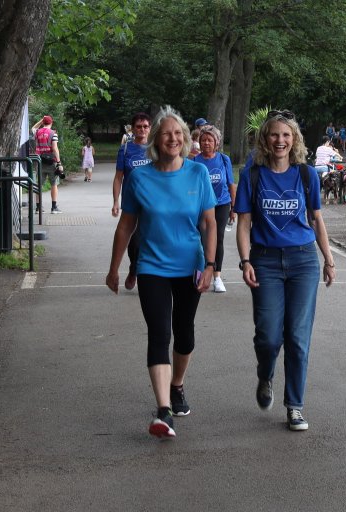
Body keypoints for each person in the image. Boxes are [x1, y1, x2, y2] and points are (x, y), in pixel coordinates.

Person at [106, 106, 216, 439]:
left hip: (189, 266)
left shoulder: (197, 174)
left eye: (178, 133)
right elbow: (126, 227)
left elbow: (210, 223)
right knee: (159, 332)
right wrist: (115, 268)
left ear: (185, 139)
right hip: (152, 266)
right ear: (155, 139)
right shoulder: (139, 177)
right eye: (166, 133)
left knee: (184, 333)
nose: (173, 138)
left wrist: (210, 265)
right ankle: (164, 410)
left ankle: (177, 385)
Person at [234, 109, 336, 432]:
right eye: (274, 134)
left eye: (286, 135)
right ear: (265, 139)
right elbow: (244, 223)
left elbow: (316, 219)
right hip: (264, 260)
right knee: (267, 335)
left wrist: (329, 260)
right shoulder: (253, 175)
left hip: (303, 260)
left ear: (295, 140)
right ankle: (265, 374)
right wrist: (246, 260)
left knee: (297, 336)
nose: (280, 140)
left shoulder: (306, 175)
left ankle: (294, 405)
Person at [112, 112, 152, 291]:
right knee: (134, 241)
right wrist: (115, 201)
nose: (142, 130)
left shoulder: (155, 148)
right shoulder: (126, 149)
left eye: (145, 126)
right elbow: (118, 177)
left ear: (150, 128)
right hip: (132, 202)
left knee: (149, 240)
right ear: (132, 129)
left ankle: (146, 275)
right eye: (138, 126)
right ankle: (134, 269)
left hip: (152, 202)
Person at [194, 124, 236, 293]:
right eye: (203, 140)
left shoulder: (224, 160)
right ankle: (202, 271)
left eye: (210, 140)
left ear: (216, 143)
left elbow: (231, 185)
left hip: (222, 204)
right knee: (201, 238)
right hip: (202, 205)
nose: (206, 143)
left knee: (217, 238)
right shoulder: (195, 162)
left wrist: (234, 207)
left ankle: (217, 276)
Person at [31, 115, 63, 214]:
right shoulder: (53, 133)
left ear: (43, 122)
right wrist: (59, 163)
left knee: (38, 185)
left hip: (39, 161)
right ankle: (54, 208)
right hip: (51, 162)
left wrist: (41, 121)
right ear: (51, 123)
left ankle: (38, 208)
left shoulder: (37, 132)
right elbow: (55, 149)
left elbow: (33, 128)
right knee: (54, 184)